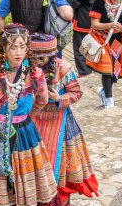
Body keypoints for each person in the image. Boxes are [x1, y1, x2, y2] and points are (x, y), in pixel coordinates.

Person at [0, 24, 59, 206]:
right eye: (13, 47)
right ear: (3, 49)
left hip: (23, 133)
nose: (18, 52)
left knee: (24, 177)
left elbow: (42, 99)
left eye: (22, 47)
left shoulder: (35, 74)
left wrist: (24, 118)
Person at [29, 34, 99, 205]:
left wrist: (59, 98)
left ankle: (58, 198)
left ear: (52, 55)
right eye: (34, 57)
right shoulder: (27, 68)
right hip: (34, 118)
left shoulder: (64, 68)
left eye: (41, 58)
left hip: (59, 120)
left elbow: (77, 93)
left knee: (59, 165)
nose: (37, 61)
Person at [67, 0, 109, 77]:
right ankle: (100, 66)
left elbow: (75, 1)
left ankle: (84, 71)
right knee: (100, 40)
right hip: (101, 14)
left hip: (83, 17)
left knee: (80, 45)